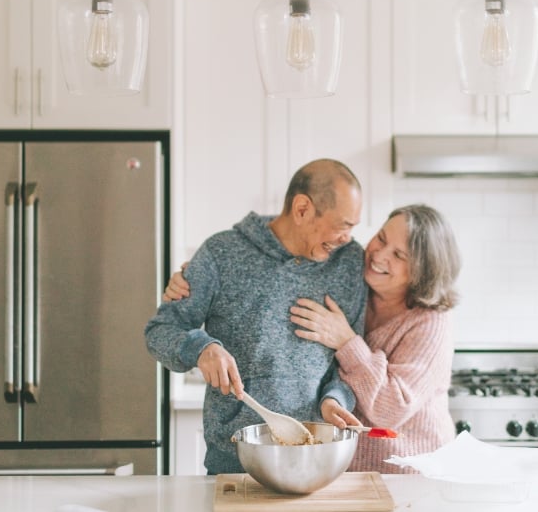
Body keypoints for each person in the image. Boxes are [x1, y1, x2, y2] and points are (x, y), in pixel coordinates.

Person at [164, 203, 461, 475]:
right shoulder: (358, 280)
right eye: (381, 238)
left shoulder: (430, 323)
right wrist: (198, 276)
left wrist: (347, 342)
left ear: (422, 272)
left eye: (399, 255)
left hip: (411, 474)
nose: (379, 256)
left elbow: (389, 409)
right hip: (350, 472)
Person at [144, 158, 368, 475]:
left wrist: (333, 401)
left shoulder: (348, 263)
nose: (348, 237)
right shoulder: (221, 253)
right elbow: (160, 331)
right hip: (234, 462)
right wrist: (201, 348)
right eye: (343, 225)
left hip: (317, 461)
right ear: (302, 209)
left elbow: (348, 363)